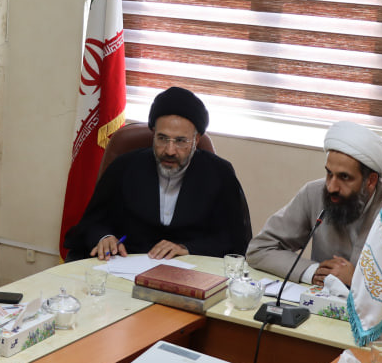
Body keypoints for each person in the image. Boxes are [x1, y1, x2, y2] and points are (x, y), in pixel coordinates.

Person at [246, 121, 382, 300]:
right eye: (329, 174)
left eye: (344, 177)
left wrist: (360, 278)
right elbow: (260, 249)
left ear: (371, 181)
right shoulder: (314, 194)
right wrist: (313, 272)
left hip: (379, 320)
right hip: (319, 313)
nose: (332, 187)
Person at [63, 87, 250, 261]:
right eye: (162, 138)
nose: (169, 150)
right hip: (126, 266)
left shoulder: (219, 174)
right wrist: (105, 237)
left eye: (180, 141)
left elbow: (233, 239)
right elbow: (92, 222)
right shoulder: (124, 167)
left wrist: (187, 248)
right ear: (153, 133)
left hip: (190, 271)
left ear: (196, 140)